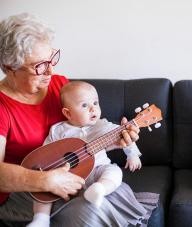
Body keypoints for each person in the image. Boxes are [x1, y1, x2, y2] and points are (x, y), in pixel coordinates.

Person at [0, 13, 158, 227]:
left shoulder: (59, 86)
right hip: (27, 192)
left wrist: (116, 141)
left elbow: (82, 137)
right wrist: (44, 180)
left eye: (52, 59)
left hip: (78, 175)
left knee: (104, 192)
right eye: (39, 66)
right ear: (10, 68)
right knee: (89, 211)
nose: (50, 71)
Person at [28, 81, 145, 227]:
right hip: (67, 176)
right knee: (44, 186)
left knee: (114, 171)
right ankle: (41, 219)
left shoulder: (103, 126)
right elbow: (46, 152)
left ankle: (100, 189)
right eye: (84, 105)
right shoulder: (58, 130)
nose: (92, 109)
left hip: (97, 171)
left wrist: (132, 154)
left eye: (95, 103)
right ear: (67, 113)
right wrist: (45, 171)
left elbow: (126, 135)